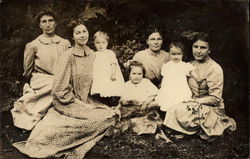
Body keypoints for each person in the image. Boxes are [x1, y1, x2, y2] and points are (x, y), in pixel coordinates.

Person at [13, 20, 118, 158]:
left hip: (86, 99)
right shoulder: (67, 56)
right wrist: (80, 104)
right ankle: (65, 142)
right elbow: (59, 89)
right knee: (96, 120)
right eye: (78, 32)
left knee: (110, 116)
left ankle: (82, 135)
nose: (82, 35)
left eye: (84, 31)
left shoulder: (92, 54)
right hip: (67, 102)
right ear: (72, 37)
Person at [163, 32, 236, 141]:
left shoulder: (215, 69)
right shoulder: (189, 64)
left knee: (177, 110)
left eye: (203, 48)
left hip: (209, 106)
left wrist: (195, 101)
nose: (198, 51)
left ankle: (184, 130)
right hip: (190, 101)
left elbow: (215, 99)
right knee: (172, 106)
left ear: (209, 50)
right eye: (195, 47)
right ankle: (180, 127)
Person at [11, 10, 71, 130]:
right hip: (41, 79)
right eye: (44, 21)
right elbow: (27, 70)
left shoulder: (64, 43)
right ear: (39, 25)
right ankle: (32, 117)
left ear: (56, 23)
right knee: (54, 85)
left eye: (51, 21)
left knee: (60, 85)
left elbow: (69, 65)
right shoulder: (33, 45)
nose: (48, 24)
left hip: (60, 78)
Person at [116, 60, 162, 135]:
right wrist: (118, 107)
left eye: (139, 74)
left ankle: (147, 125)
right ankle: (138, 124)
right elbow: (123, 100)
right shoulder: (126, 85)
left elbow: (154, 94)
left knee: (153, 106)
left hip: (145, 107)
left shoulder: (145, 82)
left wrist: (147, 101)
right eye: (134, 73)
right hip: (132, 108)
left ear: (143, 74)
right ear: (129, 74)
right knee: (126, 113)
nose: (137, 76)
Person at [155, 41, 200, 112]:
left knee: (179, 104)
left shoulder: (184, 65)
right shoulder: (167, 66)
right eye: (173, 54)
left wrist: (198, 79)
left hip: (180, 89)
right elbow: (164, 78)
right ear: (169, 54)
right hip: (168, 89)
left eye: (179, 54)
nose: (176, 56)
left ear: (183, 54)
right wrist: (161, 87)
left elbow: (191, 72)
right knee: (166, 102)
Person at [91, 31, 124, 104]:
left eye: (103, 43)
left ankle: (112, 101)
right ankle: (102, 101)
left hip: (109, 74)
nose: (100, 45)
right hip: (100, 75)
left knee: (110, 88)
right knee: (101, 89)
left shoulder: (109, 53)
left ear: (107, 43)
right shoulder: (94, 54)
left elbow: (113, 63)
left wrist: (113, 73)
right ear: (94, 43)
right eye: (98, 43)